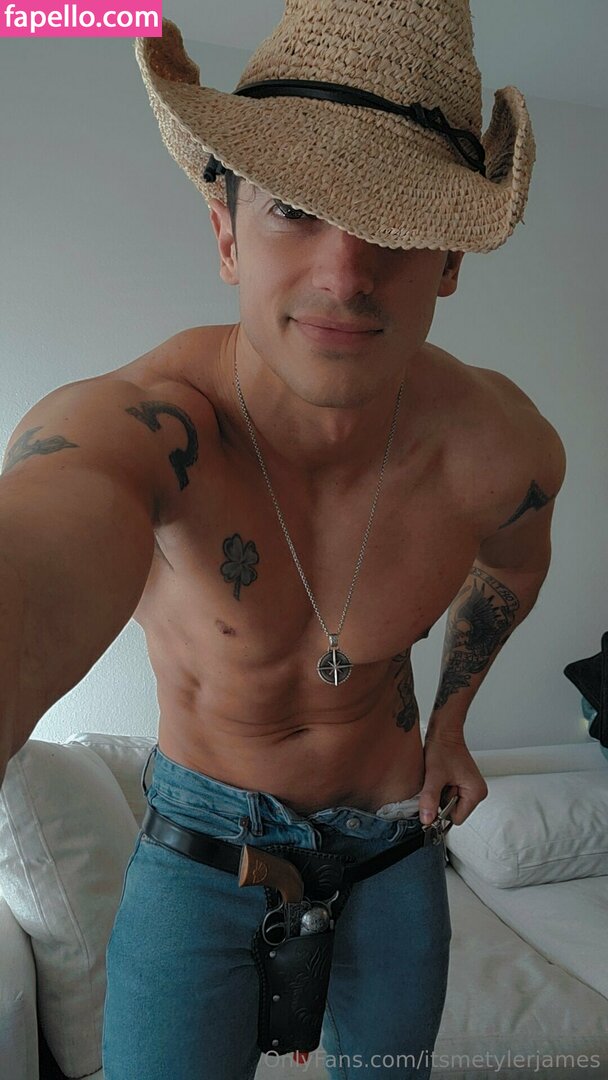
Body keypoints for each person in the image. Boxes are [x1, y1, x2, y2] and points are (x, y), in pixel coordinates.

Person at [0, 3, 566, 1078]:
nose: (345, 274)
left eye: (397, 220)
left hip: (394, 843)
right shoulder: (146, 428)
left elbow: (514, 566)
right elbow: (43, 538)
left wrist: (451, 724)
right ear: (226, 233)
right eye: (295, 210)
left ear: (450, 258)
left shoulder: (501, 449)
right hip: (201, 847)